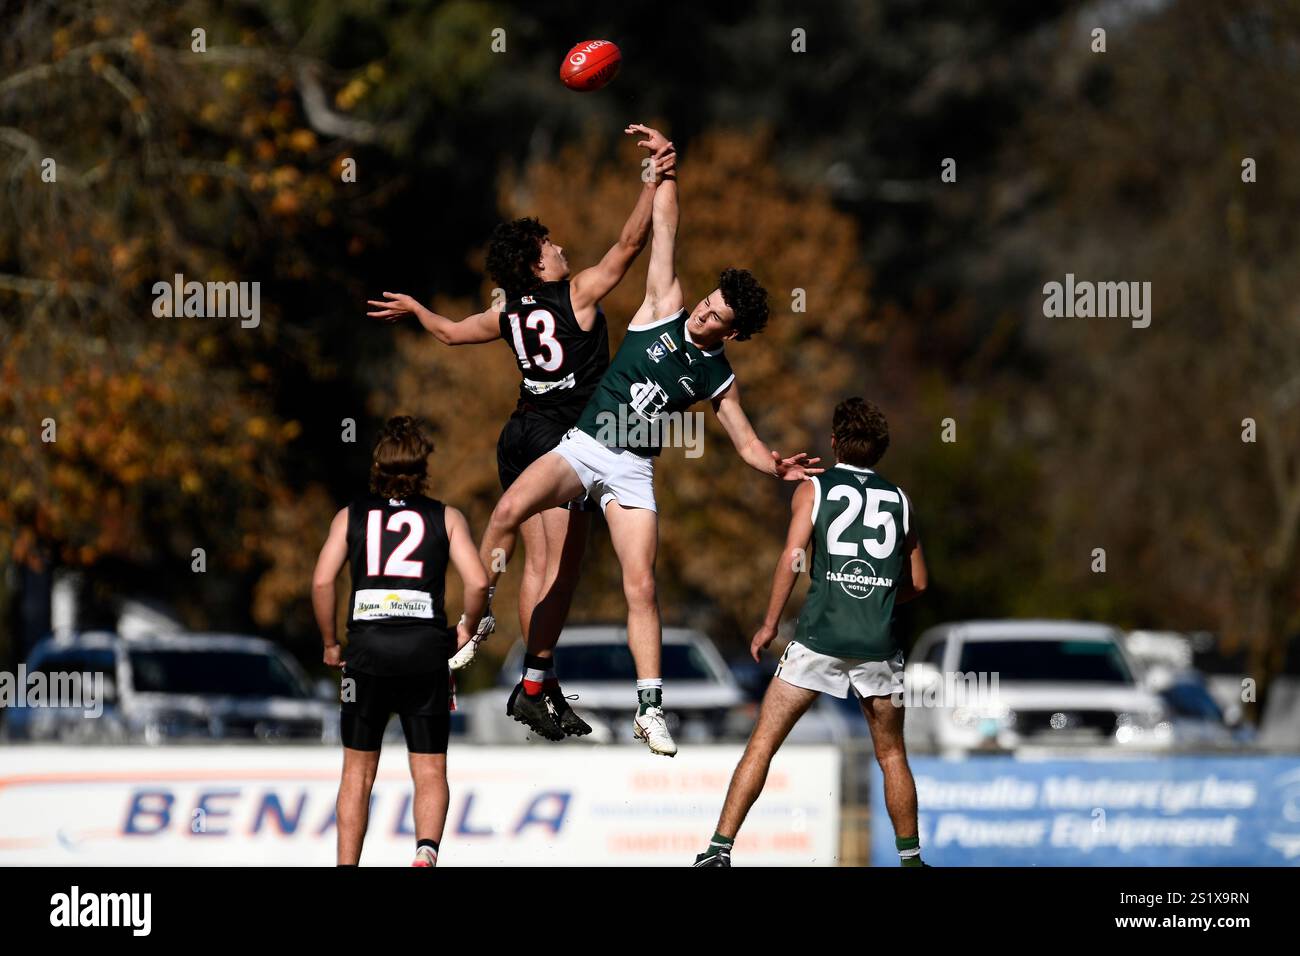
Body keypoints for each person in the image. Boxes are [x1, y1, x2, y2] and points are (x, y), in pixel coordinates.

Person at [476, 151, 822, 757]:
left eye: (719, 315)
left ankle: (650, 707)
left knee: (642, 585)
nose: (706, 311)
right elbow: (663, 229)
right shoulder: (663, 306)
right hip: (582, 447)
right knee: (506, 513)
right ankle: (470, 620)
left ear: (732, 333)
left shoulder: (718, 374)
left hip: (633, 469)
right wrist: (666, 170)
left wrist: (775, 464)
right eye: (710, 300)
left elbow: (743, 439)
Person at [365, 125, 675, 740]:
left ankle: (531, 672)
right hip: (566, 442)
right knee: (558, 566)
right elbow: (630, 242)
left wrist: (419, 311)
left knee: (541, 564)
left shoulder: (508, 310)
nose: (560, 248)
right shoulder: (578, 294)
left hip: (520, 435)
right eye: (550, 244)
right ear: (537, 262)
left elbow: (452, 334)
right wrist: (652, 180)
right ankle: (497, 649)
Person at [694, 398, 929, 866]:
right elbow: (918, 583)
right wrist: (877, 596)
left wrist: (768, 623)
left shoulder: (814, 488)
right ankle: (911, 860)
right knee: (891, 756)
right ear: (879, 450)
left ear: (835, 442)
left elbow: (792, 558)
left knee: (762, 743)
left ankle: (719, 851)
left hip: (818, 639)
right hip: (877, 647)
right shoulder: (900, 500)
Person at [311, 416, 488, 866]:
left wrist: (332, 643)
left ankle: (347, 865)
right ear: (423, 465)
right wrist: (467, 626)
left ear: (377, 465)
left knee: (356, 772)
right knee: (429, 770)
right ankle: (425, 854)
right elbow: (477, 580)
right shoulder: (446, 517)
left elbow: (321, 582)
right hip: (425, 656)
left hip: (366, 654)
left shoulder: (349, 515)